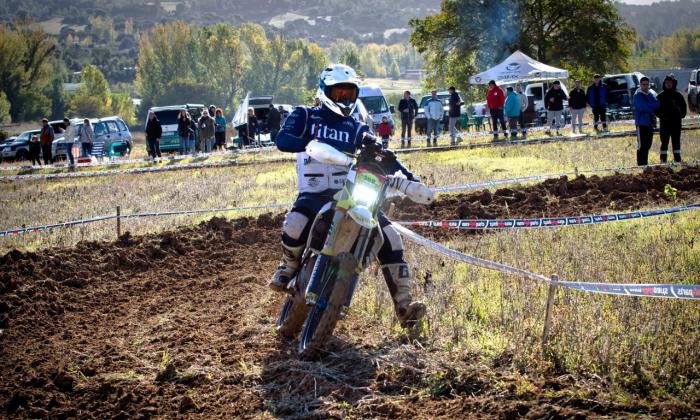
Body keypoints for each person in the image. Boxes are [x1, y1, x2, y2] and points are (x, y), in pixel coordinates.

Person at [269, 63, 426, 328]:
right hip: (315, 192)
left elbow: (383, 155)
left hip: (351, 193)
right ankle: (288, 264)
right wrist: (308, 143)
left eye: (349, 94)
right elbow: (283, 140)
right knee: (295, 223)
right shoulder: (305, 115)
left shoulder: (356, 127)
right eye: (338, 93)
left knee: (391, 237)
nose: (344, 99)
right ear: (324, 92)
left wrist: (410, 179)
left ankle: (404, 304)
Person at [655, 74, 687, 163]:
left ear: (673, 84)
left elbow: (684, 109)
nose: (668, 84)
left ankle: (677, 160)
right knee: (664, 142)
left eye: (670, 82)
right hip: (664, 124)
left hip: (676, 124)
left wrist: (680, 115)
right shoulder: (660, 96)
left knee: (676, 142)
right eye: (667, 82)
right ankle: (663, 161)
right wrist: (662, 116)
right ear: (664, 84)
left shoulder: (678, 96)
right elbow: (656, 110)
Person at [633, 76, 660, 166]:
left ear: (649, 85)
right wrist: (651, 106)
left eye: (647, 84)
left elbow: (657, 104)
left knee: (648, 145)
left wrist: (649, 106)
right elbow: (642, 107)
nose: (645, 86)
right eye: (643, 84)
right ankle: (640, 164)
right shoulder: (637, 95)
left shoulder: (651, 94)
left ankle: (645, 163)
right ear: (640, 85)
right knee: (641, 145)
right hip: (641, 123)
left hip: (650, 123)